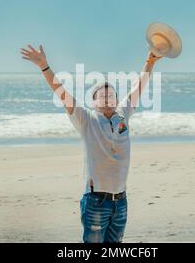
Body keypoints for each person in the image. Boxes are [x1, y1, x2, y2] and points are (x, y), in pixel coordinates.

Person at [20, 44, 161, 243]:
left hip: (120, 201)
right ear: (93, 102)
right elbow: (61, 92)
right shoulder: (86, 119)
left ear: (117, 99)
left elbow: (140, 85)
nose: (107, 97)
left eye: (111, 94)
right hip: (96, 201)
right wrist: (44, 66)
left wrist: (150, 61)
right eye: (101, 95)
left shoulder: (123, 115)